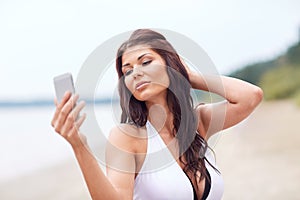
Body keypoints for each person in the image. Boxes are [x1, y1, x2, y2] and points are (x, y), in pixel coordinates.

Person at [51, 29, 263, 200]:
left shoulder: (198, 124)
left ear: (169, 64)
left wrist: (187, 75)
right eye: (128, 71)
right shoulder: (128, 137)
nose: (136, 73)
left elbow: (250, 96)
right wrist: (80, 147)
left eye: (145, 62)